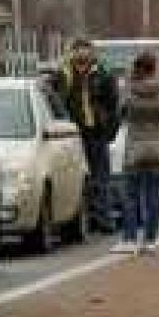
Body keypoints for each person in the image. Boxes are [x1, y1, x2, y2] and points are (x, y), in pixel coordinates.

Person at [54, 38, 121, 232]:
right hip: (71, 135)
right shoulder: (63, 74)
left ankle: (104, 219)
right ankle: (78, 219)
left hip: (96, 133)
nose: (82, 56)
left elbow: (113, 105)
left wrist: (109, 131)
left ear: (91, 54)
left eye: (85, 52)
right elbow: (55, 102)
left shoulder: (103, 74)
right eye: (78, 52)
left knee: (101, 178)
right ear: (72, 53)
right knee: (76, 178)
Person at [114, 52, 159, 255]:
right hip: (158, 150)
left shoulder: (130, 92)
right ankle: (150, 240)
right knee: (153, 197)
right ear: (154, 68)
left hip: (135, 150)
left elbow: (121, 113)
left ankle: (130, 238)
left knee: (131, 196)